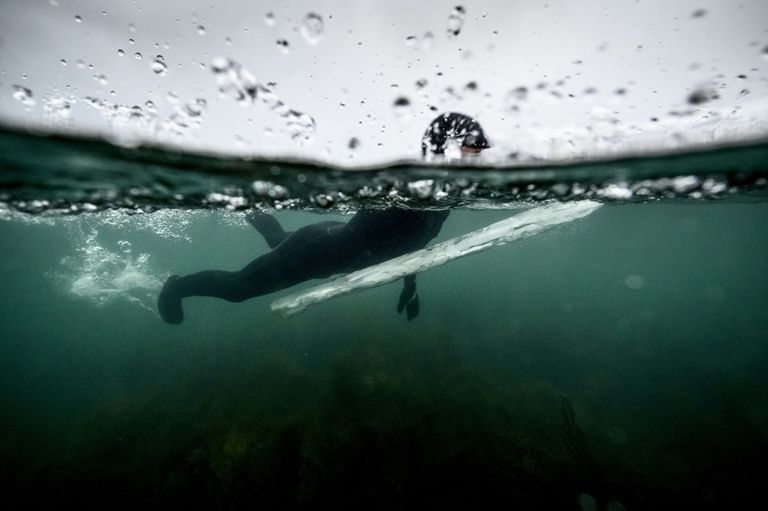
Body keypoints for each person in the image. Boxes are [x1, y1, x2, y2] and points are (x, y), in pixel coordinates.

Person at [158, 112, 489, 324]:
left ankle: (249, 208)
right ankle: (177, 287)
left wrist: (410, 285)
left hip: (330, 247)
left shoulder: (446, 201)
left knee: (279, 241)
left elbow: (412, 247)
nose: (472, 163)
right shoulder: (418, 184)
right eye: (471, 153)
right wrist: (467, 136)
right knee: (239, 288)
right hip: (321, 250)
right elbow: (440, 129)